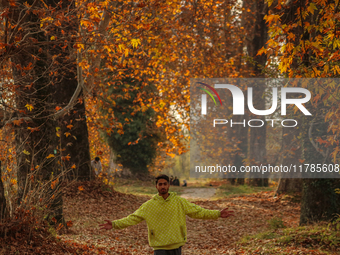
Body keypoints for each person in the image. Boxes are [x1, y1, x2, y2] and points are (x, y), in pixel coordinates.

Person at [99, 174, 233, 255]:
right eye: (160, 184)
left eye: (165, 184)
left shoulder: (179, 202)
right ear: (156, 187)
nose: (162, 186)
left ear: (169, 185)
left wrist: (217, 214)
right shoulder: (148, 205)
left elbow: (198, 212)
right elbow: (132, 218)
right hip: (159, 247)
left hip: (176, 244)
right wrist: (115, 224)